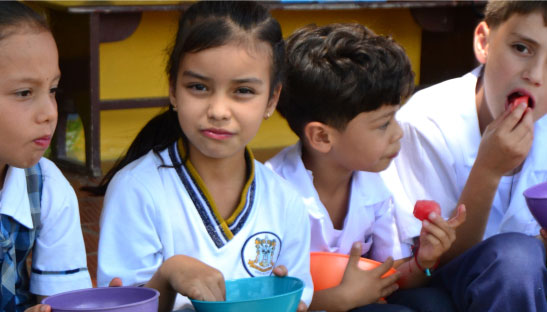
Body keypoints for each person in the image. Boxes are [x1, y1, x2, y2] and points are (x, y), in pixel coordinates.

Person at [95, 1, 313, 311]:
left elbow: (300, 296)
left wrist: (284, 299)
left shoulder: (286, 201)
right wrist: (170, 273)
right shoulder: (136, 190)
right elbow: (121, 306)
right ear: (173, 89)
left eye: (243, 91)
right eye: (198, 87)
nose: (218, 111)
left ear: (272, 99)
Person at [265, 23, 465, 312]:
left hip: (359, 302)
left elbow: (388, 274)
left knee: (433, 303)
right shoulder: (273, 194)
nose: (398, 133)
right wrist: (337, 300)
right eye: (383, 124)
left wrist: (424, 260)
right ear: (322, 137)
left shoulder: (374, 187)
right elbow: (264, 298)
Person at [380, 1, 547, 310]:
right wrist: (488, 169)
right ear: (484, 42)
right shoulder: (424, 124)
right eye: (521, 48)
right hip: (438, 287)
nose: (535, 75)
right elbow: (425, 267)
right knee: (516, 259)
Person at [0, 2, 93, 311]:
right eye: (24, 93)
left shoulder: (46, 187)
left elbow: (61, 303)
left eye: (53, 89)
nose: (49, 113)